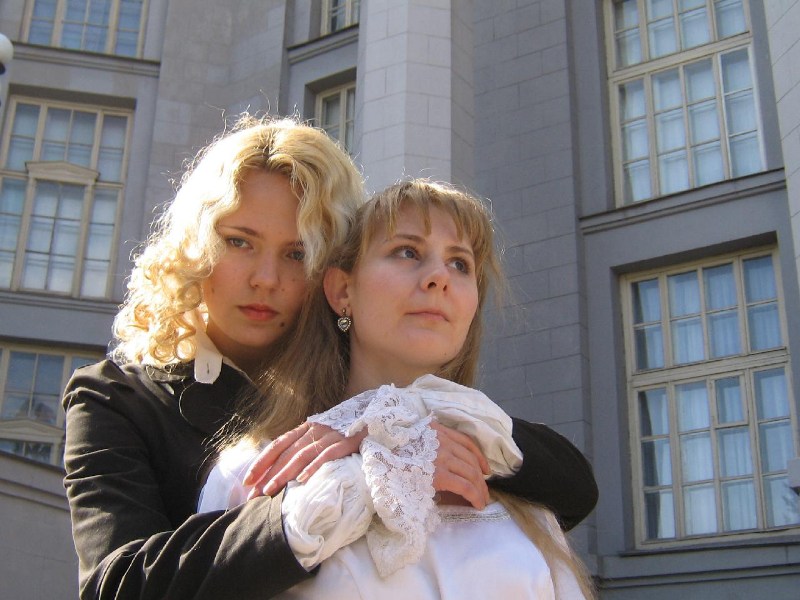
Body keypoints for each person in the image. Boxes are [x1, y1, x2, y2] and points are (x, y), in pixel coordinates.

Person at [62, 114, 596, 600]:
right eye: (239, 242)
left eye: (298, 253)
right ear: (195, 245)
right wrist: (364, 477)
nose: (266, 279)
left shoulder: (369, 378)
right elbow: (118, 585)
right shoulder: (119, 395)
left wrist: (402, 429)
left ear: (332, 272)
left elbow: (571, 485)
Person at [199, 180, 596, 599]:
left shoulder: (522, 489)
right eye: (407, 252)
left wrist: (398, 425)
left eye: (460, 264)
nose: (439, 277)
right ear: (342, 290)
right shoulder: (258, 470)